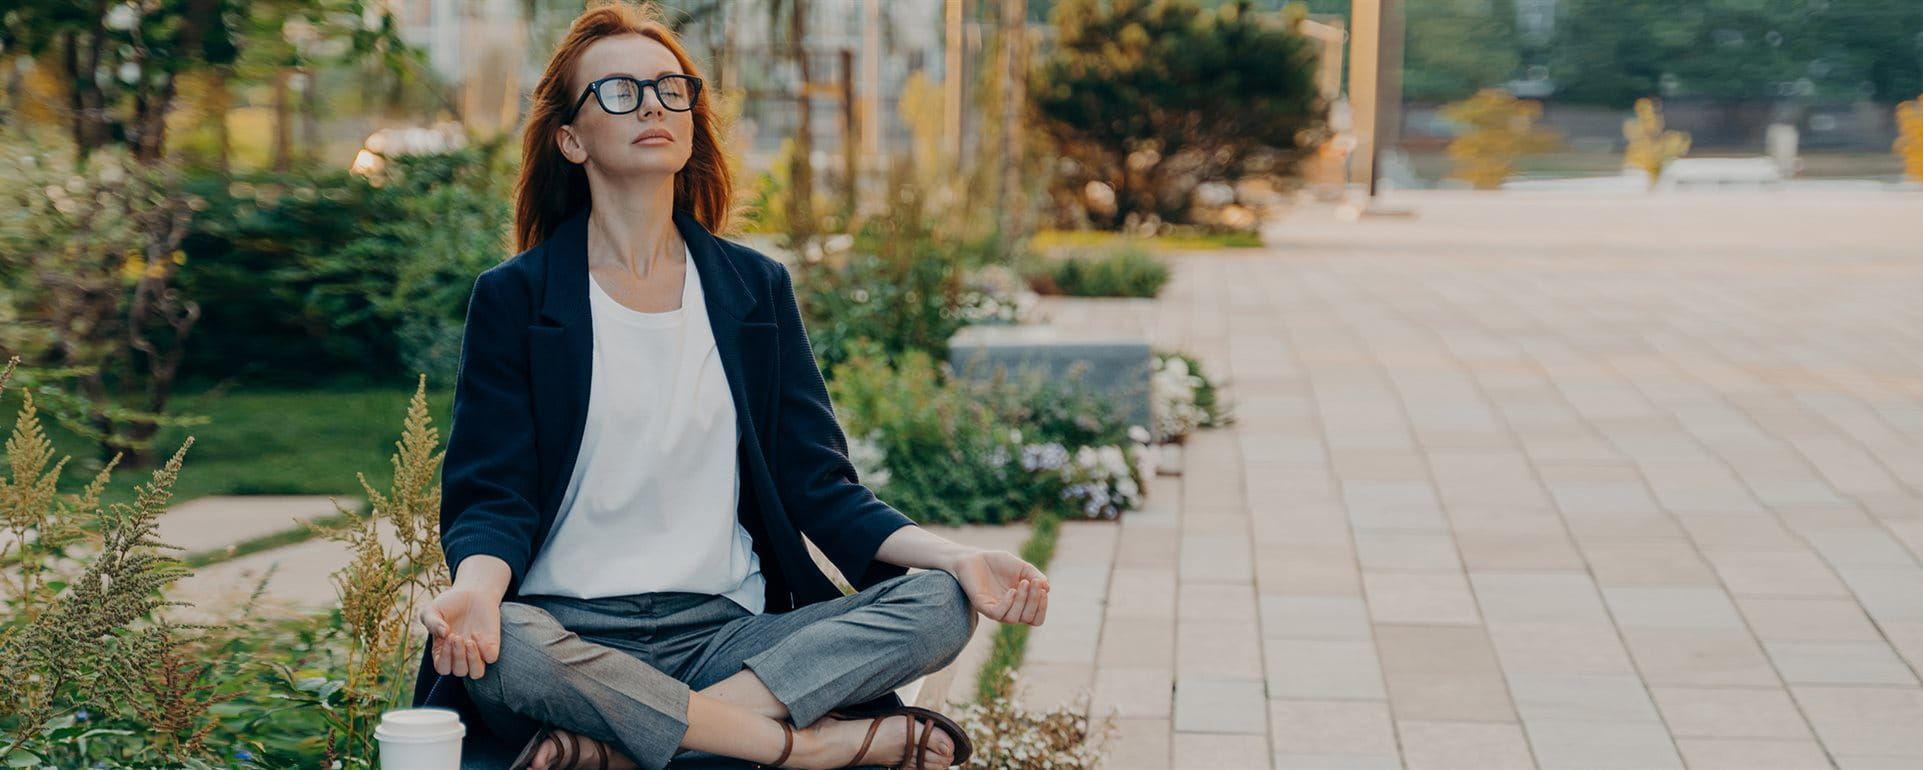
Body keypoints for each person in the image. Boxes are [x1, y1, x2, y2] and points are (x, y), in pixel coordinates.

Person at [406, 3, 1052, 769]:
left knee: (941, 601)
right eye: (619, 91)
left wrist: (960, 556)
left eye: (670, 89)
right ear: (570, 139)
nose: (652, 105)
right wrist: (479, 591)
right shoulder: (516, 297)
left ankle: (617, 746)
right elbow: (493, 493)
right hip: (568, 636)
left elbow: (821, 485)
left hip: (729, 637)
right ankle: (801, 748)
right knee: (507, 644)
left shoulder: (754, 288)